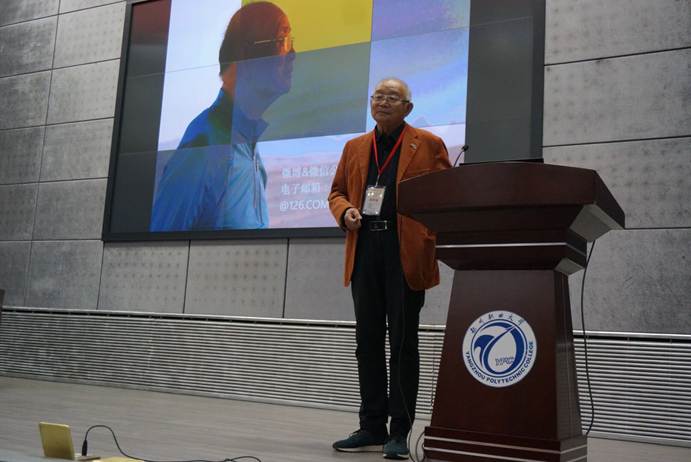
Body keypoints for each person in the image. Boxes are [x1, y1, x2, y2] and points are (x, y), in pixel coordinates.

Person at [328, 78, 451, 459]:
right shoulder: (354, 147)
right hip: (365, 247)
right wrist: (345, 212)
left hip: (405, 252)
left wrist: (428, 235)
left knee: (402, 342)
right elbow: (336, 192)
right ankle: (371, 426)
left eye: (391, 98)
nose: (382, 102)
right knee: (366, 342)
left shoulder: (428, 144)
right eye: (378, 96)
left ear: (407, 107)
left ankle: (399, 431)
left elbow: (446, 194)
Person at [150, 1, 295, 231]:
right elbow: (162, 240)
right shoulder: (204, 146)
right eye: (282, 40)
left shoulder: (248, 147)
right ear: (245, 56)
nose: (292, 54)